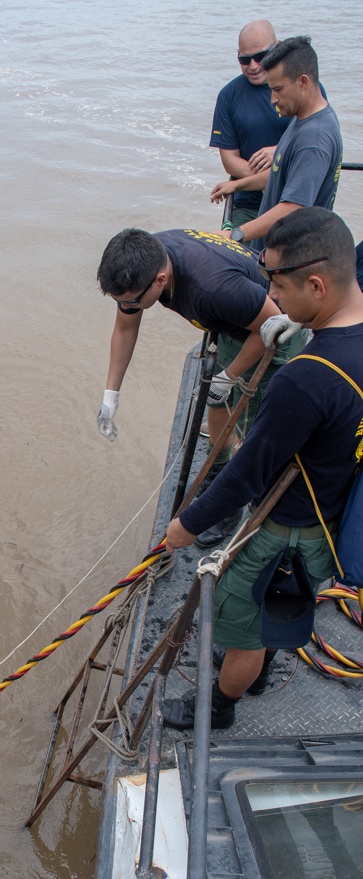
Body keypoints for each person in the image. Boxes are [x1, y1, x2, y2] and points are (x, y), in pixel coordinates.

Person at [162, 207, 363, 730]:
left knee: (242, 622)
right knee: (278, 606)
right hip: (334, 511)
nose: (270, 296)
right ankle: (261, 656)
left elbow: (247, 473)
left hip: (287, 527)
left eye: (276, 283)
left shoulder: (306, 378)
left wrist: (188, 525)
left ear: (316, 285)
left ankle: (220, 707)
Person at [96, 227, 306, 546]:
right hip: (238, 322)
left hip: (274, 330)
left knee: (254, 428)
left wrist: (231, 376)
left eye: (133, 302)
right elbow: (125, 328)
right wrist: (111, 395)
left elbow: (272, 325)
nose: (129, 307)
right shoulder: (147, 260)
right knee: (217, 403)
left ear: (161, 281)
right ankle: (218, 469)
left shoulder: (212, 288)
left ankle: (232, 505)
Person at [210, 37, 342, 251]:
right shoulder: (302, 118)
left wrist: (235, 234)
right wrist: (237, 184)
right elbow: (283, 174)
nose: (273, 99)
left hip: (291, 258)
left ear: (303, 82)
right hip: (272, 248)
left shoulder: (313, 140)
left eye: (278, 89)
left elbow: (293, 207)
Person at [210, 20, 286, 229]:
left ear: (277, 47)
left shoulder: (301, 87)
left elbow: (315, 138)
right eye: (244, 59)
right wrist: (269, 179)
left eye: (260, 57)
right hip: (248, 204)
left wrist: (280, 153)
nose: (253, 65)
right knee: (235, 256)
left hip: (294, 197)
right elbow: (229, 160)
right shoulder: (228, 96)